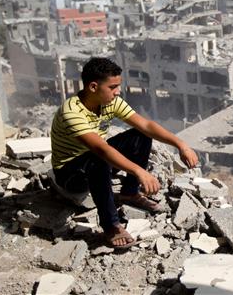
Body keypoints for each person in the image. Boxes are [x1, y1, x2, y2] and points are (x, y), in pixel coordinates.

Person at [50, 57, 198, 248]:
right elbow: (101, 149)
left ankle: (129, 193)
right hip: (71, 174)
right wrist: (139, 171)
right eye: (113, 87)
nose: (118, 91)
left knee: (141, 135)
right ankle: (111, 226)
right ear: (93, 87)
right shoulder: (71, 112)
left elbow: (145, 125)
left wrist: (181, 145)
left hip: (95, 160)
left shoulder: (110, 103)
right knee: (99, 158)